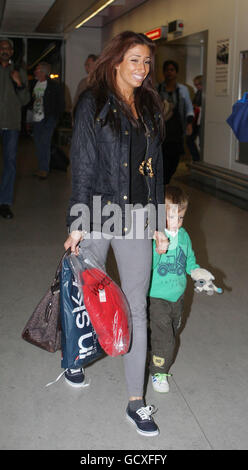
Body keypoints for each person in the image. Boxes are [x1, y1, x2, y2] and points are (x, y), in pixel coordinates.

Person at [64, 30, 168, 437]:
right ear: (116, 61)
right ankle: (74, 357)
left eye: (147, 62)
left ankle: (135, 402)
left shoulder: (151, 106)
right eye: (135, 60)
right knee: (90, 295)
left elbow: (156, 168)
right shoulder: (93, 102)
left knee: (136, 306)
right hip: (98, 210)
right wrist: (77, 225)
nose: (142, 69)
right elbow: (84, 166)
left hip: (139, 215)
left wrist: (158, 224)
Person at [148, 186, 216, 393]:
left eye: (181, 218)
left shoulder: (184, 236)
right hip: (157, 296)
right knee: (165, 338)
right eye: (172, 218)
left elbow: (189, 260)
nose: (177, 223)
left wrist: (197, 272)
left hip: (177, 296)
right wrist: (157, 247)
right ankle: (158, 372)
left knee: (173, 328)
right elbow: (145, 265)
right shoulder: (152, 237)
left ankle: (153, 348)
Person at [0, 38, 30, 219]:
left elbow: (25, 100)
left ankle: (4, 203)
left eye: (7, 48)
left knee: (10, 164)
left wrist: (19, 83)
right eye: (1, 48)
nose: (4, 50)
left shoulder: (19, 71)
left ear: (12, 52)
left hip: (11, 124)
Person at [158, 60, 194, 184]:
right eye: (167, 70)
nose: (169, 73)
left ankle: (166, 179)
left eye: (172, 70)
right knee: (162, 157)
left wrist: (189, 123)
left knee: (174, 158)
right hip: (161, 130)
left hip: (176, 130)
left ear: (176, 73)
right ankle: (163, 182)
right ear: (163, 72)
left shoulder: (183, 90)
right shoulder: (158, 88)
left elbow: (189, 107)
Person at [32, 62, 65, 179]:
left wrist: (55, 118)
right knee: (38, 143)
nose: (35, 72)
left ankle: (44, 169)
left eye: (38, 70)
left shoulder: (54, 86)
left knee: (45, 142)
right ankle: (41, 167)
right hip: (36, 119)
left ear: (44, 72)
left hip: (48, 118)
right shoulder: (35, 84)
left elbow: (61, 104)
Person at [186, 75, 203, 162]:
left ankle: (197, 160)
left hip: (199, 120)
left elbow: (196, 105)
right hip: (197, 120)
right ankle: (197, 160)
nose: (196, 87)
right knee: (191, 140)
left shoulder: (201, 93)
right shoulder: (199, 93)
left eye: (197, 84)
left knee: (191, 140)